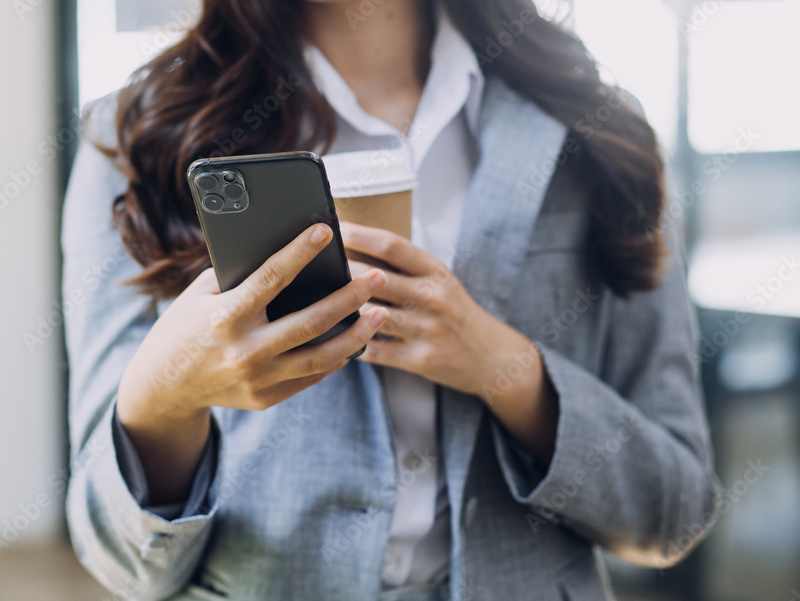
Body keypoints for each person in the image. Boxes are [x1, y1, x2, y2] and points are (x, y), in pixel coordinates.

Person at [61, 1, 721, 599]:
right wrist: (166, 395)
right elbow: (120, 559)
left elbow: (675, 512)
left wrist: (502, 366)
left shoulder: (599, 133)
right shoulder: (134, 138)